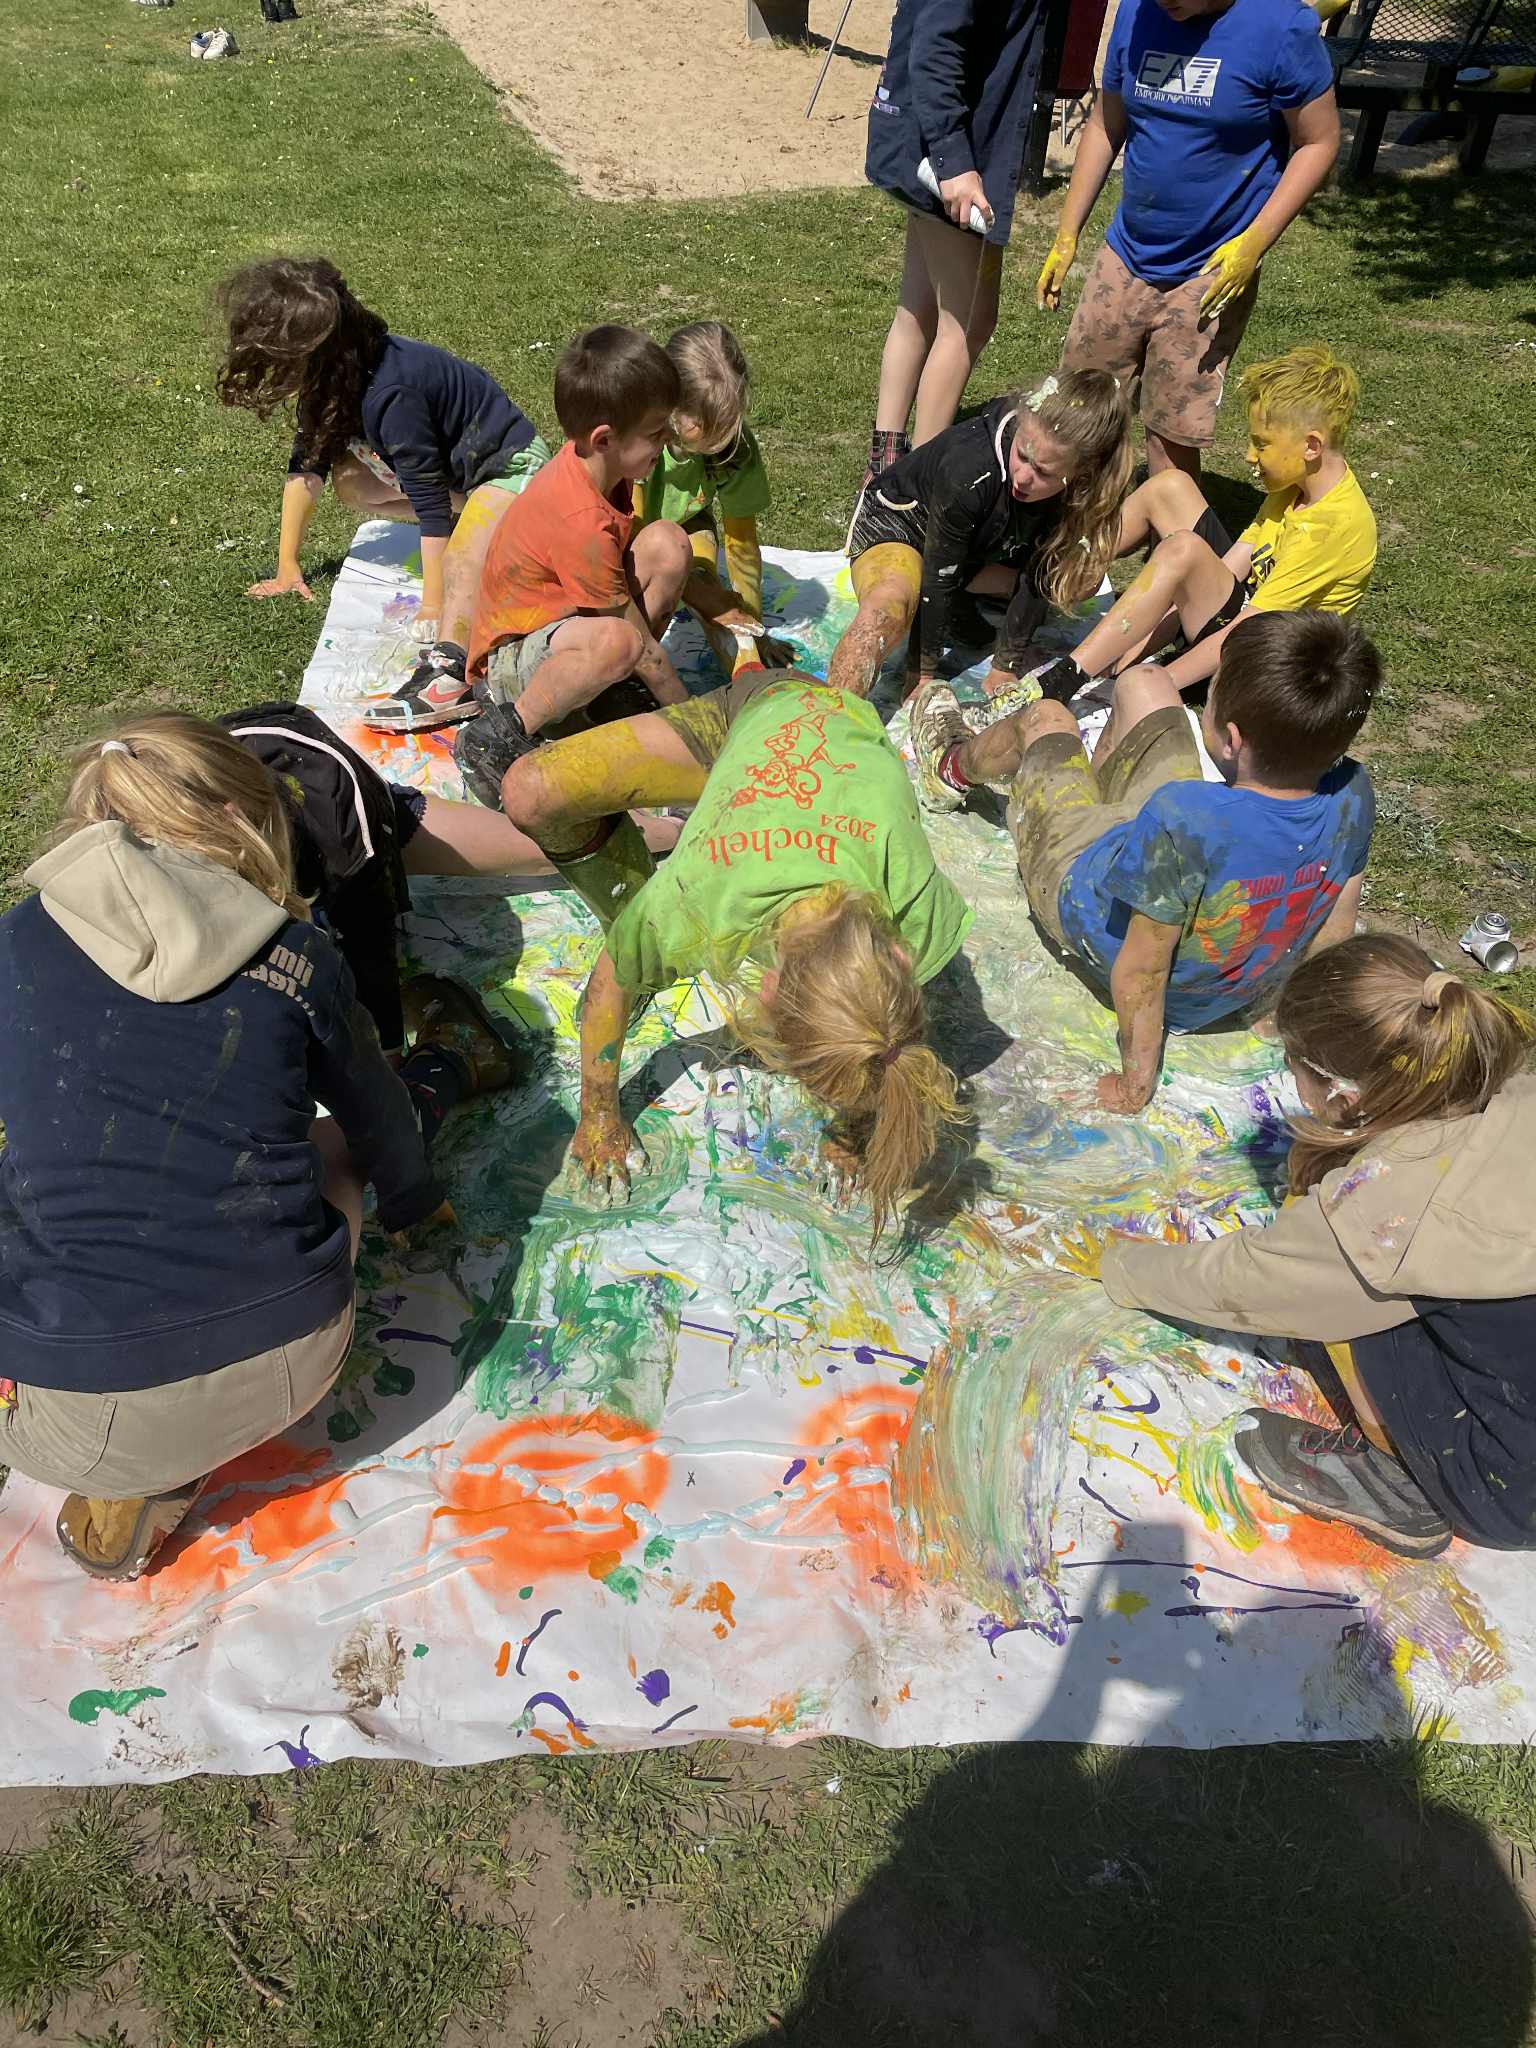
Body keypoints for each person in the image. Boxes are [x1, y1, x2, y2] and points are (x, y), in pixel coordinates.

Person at [0, 716, 516, 1583]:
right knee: (329, 1146)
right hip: (294, 1353)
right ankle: (455, 1063)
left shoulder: (15, 942)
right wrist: (420, 1203)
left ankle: (139, 1472)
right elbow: (377, 1115)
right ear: (249, 825)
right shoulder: (295, 955)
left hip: (66, 1422)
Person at [493, 662, 975, 1233]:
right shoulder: (697, 894)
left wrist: (856, 1129)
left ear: (898, 956)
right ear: (767, 988)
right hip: (758, 705)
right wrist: (599, 1110)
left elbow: (887, 1041)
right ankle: (628, 907)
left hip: (835, 737)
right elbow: (609, 983)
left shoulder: (915, 900)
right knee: (528, 790)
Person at [1099, 935, 1536, 1558]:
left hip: (1507, 1489)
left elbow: (1245, 1283)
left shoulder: (1384, 1214)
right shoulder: (1512, 1091)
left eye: (1294, 1067)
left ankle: (1401, 1485)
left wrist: (1118, 1266)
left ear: (1341, 1092)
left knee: (1342, 1304)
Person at [918, 611, 1377, 1112]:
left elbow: (1143, 971)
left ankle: (951, 765)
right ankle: (1081, 782)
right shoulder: (1352, 793)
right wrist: (1279, 1012)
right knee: (1145, 680)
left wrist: (1135, 1085)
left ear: (1232, 738)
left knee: (1046, 718)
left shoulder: (1184, 817)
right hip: (1179, 867)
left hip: (1079, 891)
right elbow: (1335, 926)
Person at [218, 702, 679, 1068]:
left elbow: (369, 943)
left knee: (552, 844)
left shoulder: (337, 815)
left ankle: (676, 829)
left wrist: (388, 1059)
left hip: (351, 829)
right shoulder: (163, 849)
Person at [215, 258, 549, 729]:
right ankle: (475, 518)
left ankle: (448, 673)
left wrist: (434, 608)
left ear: (322, 348)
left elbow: (429, 505)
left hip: (511, 472)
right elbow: (305, 467)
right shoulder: (333, 376)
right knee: (351, 483)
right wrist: (288, 567)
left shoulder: (392, 393)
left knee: (466, 562)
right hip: (460, 481)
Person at [981, 344, 1377, 712]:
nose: (1249, 455)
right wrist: (1125, 656)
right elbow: (1229, 568)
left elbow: (1241, 631)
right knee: (1170, 488)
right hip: (1238, 621)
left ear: (1311, 446)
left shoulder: (1334, 528)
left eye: (1262, 444)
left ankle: (1062, 677)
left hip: (1266, 665)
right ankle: (1047, 573)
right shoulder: (1296, 486)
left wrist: (1157, 680)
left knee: (1182, 549)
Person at [1038, 0, 1340, 477]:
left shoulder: (1282, 26)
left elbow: (1318, 142)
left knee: (1170, 440)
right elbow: (1105, 123)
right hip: (1127, 253)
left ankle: (1171, 545)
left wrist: (1254, 242)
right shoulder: (1137, 14)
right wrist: (1067, 232)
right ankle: (1064, 536)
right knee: (1078, 410)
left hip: (1211, 269)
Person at [452, 326, 694, 801]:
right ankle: (506, 733)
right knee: (619, 641)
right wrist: (689, 720)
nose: (666, 441)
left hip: (562, 630)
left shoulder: (601, 466)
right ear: (604, 439)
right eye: (654, 432)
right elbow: (638, 643)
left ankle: (604, 691)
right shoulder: (578, 517)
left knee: (668, 544)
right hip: (510, 664)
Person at [830, 370, 1132, 706]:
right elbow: (938, 573)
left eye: (1043, 472)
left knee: (1074, 581)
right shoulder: (970, 467)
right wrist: (923, 671)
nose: (1024, 476)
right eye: (1022, 455)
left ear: (1083, 472)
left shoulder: (1083, 487)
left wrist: (1006, 665)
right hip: (903, 521)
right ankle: (832, 718)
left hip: (979, 543)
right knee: (886, 609)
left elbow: (1043, 569)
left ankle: (966, 598)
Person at [860, 0, 1047, 487]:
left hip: (930, 144)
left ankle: (885, 469)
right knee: (965, 324)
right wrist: (953, 163)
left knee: (919, 309)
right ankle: (918, 487)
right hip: (952, 157)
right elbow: (934, 48)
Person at [633, 321, 793, 681]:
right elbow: (626, 535)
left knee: (725, 615)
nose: (720, 440)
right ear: (671, 402)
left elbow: (742, 545)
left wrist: (754, 625)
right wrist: (694, 592)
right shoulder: (638, 435)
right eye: (707, 426)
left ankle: (748, 686)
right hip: (630, 533)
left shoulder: (736, 448)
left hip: (688, 526)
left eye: (729, 424)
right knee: (648, 605)